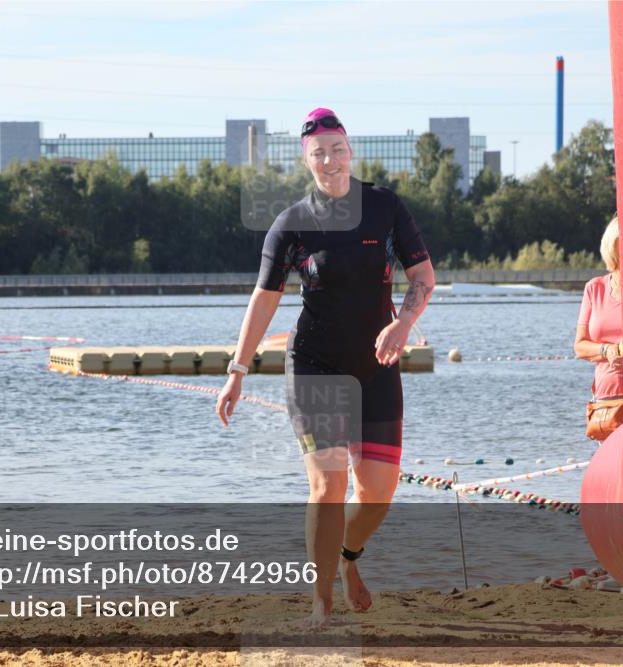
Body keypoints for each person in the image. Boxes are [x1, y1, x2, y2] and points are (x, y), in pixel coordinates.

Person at [216, 108, 435, 627]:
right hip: (314, 364)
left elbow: (422, 276)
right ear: (306, 158)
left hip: (377, 363)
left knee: (379, 493)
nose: (330, 160)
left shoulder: (383, 207)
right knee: (328, 485)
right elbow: (264, 298)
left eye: (337, 149)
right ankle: (321, 599)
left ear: (350, 149)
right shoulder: (291, 224)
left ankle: (347, 560)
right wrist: (237, 370)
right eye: (319, 153)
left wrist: (403, 323)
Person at [575, 216, 623, 407]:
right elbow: (580, 346)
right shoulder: (595, 288)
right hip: (606, 401)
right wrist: (607, 350)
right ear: (612, 246)